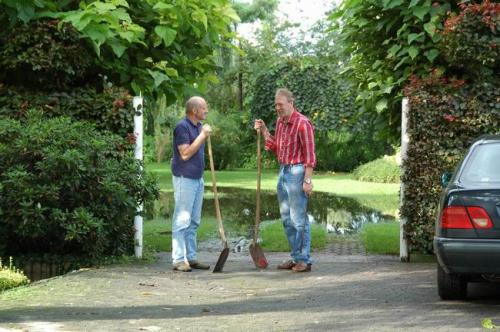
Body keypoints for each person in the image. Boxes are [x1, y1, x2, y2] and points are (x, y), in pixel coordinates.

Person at [254, 88, 316, 273]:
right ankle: (295, 256)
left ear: (291, 102)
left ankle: (304, 260)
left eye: (280, 104)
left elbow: (310, 155)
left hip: (297, 172)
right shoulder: (280, 122)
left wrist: (307, 180)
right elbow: (276, 147)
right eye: (276, 105)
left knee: (299, 219)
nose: (277, 108)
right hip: (283, 171)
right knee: (287, 219)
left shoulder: (303, 124)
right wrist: (265, 130)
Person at [171, 96, 212, 272]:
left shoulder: (198, 127)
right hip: (184, 178)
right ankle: (179, 259)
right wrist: (203, 136)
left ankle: (191, 257)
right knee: (182, 219)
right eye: (204, 108)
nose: (206, 111)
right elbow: (185, 154)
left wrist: (202, 133)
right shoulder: (182, 127)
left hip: (197, 178)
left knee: (194, 221)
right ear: (194, 110)